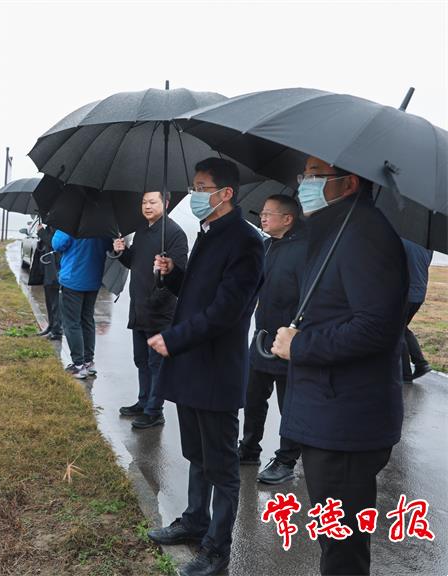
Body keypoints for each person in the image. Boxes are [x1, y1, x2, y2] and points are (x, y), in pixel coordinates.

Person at [271, 156, 408, 576]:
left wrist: (301, 345)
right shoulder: (337, 230)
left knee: (342, 548)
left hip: (347, 420)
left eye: (315, 176)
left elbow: (376, 328)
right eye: (304, 175)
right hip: (328, 409)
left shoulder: (365, 235)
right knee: (334, 540)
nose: (304, 184)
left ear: (349, 184)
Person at [146, 158, 264, 576]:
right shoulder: (208, 231)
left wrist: (174, 339)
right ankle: (195, 520)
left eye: (201, 187)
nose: (194, 195)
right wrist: (173, 274)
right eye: (193, 186)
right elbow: (198, 293)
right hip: (192, 365)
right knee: (196, 453)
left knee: (222, 467)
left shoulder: (246, 241)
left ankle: (217, 549)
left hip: (216, 369)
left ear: (225, 193)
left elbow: (225, 311)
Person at [238, 195, 306, 485]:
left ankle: (286, 460)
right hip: (262, 336)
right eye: (262, 213)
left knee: (289, 403)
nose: (262, 218)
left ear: (287, 219)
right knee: (253, 397)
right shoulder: (266, 246)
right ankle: (249, 447)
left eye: (269, 214)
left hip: (288, 340)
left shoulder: (304, 250)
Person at [114, 190, 188, 429]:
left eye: (153, 202)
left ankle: (154, 411)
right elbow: (134, 262)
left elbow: (178, 277)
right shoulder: (142, 231)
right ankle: (144, 401)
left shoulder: (174, 234)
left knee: (157, 363)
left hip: (159, 311)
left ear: (165, 203)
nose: (147, 206)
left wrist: (155, 299)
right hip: (139, 308)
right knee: (141, 360)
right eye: (144, 202)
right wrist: (122, 251)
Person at [52, 230, 109, 379]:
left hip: (73, 280)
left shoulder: (72, 223)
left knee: (72, 323)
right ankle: (89, 362)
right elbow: (109, 246)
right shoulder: (103, 224)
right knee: (87, 320)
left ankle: (78, 365)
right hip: (93, 279)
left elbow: (57, 244)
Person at [400, 238, 433, 381]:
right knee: (402, 329)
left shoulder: (401, 241)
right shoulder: (427, 246)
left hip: (405, 294)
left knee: (397, 332)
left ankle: (405, 373)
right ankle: (420, 363)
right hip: (419, 294)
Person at [35, 223, 63, 341]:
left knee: (55, 301)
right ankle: (51, 326)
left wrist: (41, 232)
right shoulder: (50, 226)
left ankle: (57, 330)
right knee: (49, 300)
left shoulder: (61, 226)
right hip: (48, 267)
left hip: (55, 268)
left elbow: (54, 243)